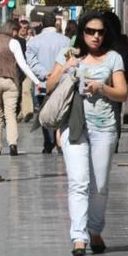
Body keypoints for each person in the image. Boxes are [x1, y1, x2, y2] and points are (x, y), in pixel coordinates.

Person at [47, 12, 128, 256]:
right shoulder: (69, 55)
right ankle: (79, 236)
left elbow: (123, 93)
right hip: (75, 125)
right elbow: (48, 86)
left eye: (100, 32)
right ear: (82, 33)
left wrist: (102, 87)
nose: (95, 36)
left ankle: (95, 230)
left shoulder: (113, 58)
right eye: (90, 31)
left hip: (104, 127)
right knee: (78, 181)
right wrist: (67, 69)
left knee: (100, 185)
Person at [0, 21, 41, 156]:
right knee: (10, 115)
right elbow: (23, 64)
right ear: (12, 30)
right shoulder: (13, 43)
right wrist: (36, 80)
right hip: (10, 82)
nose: (16, 34)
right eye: (16, 31)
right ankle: (12, 144)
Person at [26, 12, 73, 153]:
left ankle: (48, 142)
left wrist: (45, 73)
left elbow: (31, 61)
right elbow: (69, 60)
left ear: (42, 24)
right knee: (61, 110)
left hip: (43, 83)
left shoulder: (34, 41)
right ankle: (59, 141)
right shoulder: (65, 41)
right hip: (61, 82)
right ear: (55, 24)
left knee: (44, 112)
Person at [16, 18, 35, 123]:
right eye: (21, 28)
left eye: (25, 28)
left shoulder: (32, 40)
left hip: (28, 69)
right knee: (18, 92)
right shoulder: (15, 40)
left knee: (26, 90)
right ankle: (20, 113)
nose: (23, 30)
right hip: (17, 69)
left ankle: (27, 112)